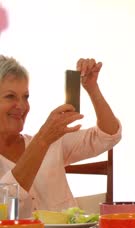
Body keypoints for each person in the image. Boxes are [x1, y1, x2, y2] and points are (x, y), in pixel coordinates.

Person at [0, 55, 121, 218]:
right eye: (10, 96)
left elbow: (108, 135)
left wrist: (92, 88)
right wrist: (43, 139)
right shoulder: (44, 140)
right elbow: (5, 203)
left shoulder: (51, 143)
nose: (22, 106)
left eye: (26, 97)